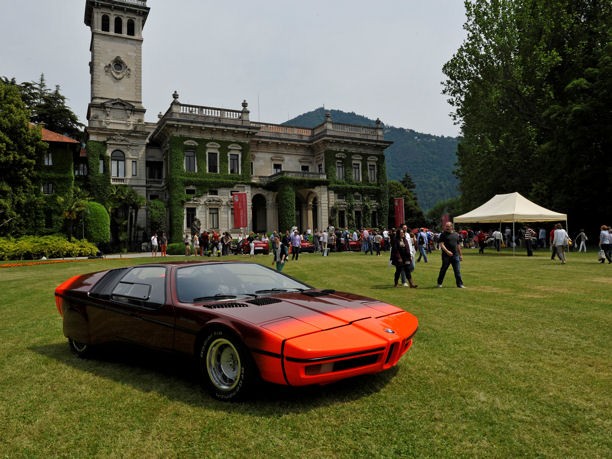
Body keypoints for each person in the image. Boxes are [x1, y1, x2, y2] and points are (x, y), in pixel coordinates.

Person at [437, 222, 465, 288]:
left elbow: (458, 245)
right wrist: (447, 251)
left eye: (448, 226)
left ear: (451, 227)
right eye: (446, 226)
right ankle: (439, 283)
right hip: (446, 256)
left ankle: (460, 284)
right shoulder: (443, 235)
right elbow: (441, 244)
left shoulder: (456, 234)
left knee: (457, 270)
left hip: (455, 255)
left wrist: (460, 255)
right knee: (443, 269)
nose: (446, 227)